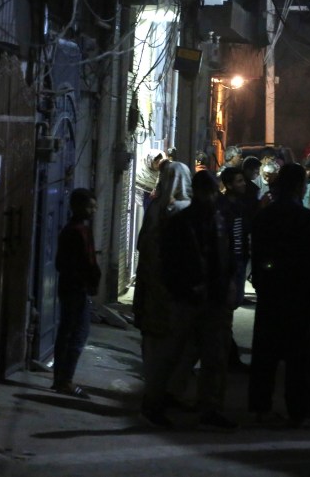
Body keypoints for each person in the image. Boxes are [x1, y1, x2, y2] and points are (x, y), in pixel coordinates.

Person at [248, 164, 310, 428]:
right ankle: (299, 411)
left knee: (266, 354)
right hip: (299, 294)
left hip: (272, 293)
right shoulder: (305, 219)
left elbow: (257, 256)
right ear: (299, 186)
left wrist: (262, 281)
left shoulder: (264, 216)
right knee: (300, 357)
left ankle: (261, 408)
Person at [158, 170, 237, 429]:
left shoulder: (216, 219)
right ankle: (157, 402)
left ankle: (209, 407)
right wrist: (183, 289)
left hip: (211, 298)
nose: (210, 197)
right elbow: (170, 262)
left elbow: (224, 258)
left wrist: (225, 286)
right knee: (177, 352)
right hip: (190, 297)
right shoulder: (184, 222)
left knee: (212, 356)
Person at [135, 161, 194, 425]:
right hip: (173, 290)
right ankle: (158, 400)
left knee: (154, 346)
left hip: (150, 287)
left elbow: (141, 245)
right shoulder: (182, 210)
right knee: (174, 347)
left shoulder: (155, 207)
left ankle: (156, 396)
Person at [51, 188, 101, 399]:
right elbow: (74, 263)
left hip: (74, 288)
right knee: (76, 333)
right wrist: (86, 280)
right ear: (78, 206)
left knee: (69, 332)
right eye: (90, 206)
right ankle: (65, 381)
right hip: (75, 289)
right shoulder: (76, 231)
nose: (93, 211)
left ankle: (60, 379)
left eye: (94, 207)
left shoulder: (79, 229)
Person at [218, 167, 252, 372]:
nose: (243, 184)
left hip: (238, 261)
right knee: (225, 310)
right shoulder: (222, 207)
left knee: (229, 308)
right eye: (239, 181)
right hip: (229, 263)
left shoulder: (239, 206)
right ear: (229, 185)